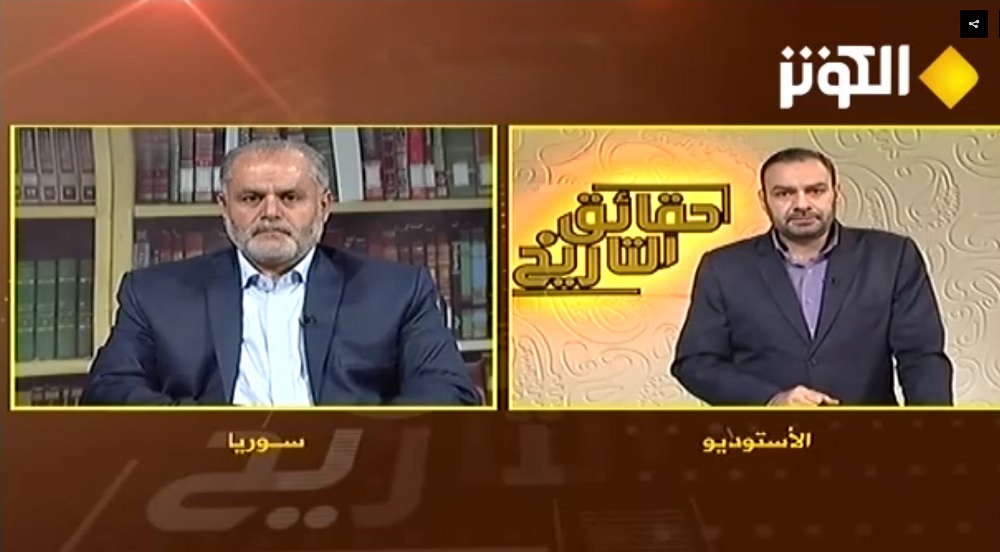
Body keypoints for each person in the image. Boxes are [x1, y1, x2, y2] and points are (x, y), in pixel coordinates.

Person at [81, 139, 481, 407]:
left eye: (290, 197)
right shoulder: (153, 294)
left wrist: (359, 442)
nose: (270, 212)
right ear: (224, 207)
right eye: (251, 198)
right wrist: (204, 433)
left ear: (324, 206)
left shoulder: (398, 291)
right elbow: (108, 390)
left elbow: (448, 391)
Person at [670, 147, 953, 406]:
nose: (801, 204)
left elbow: (922, 356)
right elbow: (695, 362)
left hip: (867, 434)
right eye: (784, 193)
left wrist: (934, 430)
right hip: (767, 437)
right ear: (763, 200)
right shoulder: (724, 268)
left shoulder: (892, 256)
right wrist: (770, 400)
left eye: (815, 190)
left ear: (836, 193)